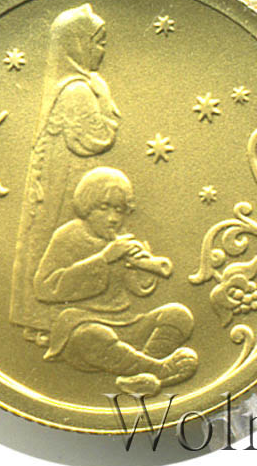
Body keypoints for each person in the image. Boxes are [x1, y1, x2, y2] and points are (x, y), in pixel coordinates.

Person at [33, 167, 198, 395]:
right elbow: (45, 287)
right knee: (93, 337)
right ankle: (160, 370)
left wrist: (143, 268)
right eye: (104, 208)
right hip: (82, 325)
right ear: (86, 206)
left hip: (124, 322)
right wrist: (104, 259)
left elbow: (138, 289)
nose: (113, 218)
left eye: (119, 211)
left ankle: (138, 375)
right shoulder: (69, 235)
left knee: (178, 315)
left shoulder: (119, 240)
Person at [10, 4, 121, 341]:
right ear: (77, 45)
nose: (102, 50)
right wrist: (105, 101)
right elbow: (96, 138)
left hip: (65, 179)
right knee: (57, 244)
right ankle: (45, 321)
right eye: (98, 42)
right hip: (64, 184)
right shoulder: (77, 91)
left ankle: (45, 319)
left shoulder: (75, 86)